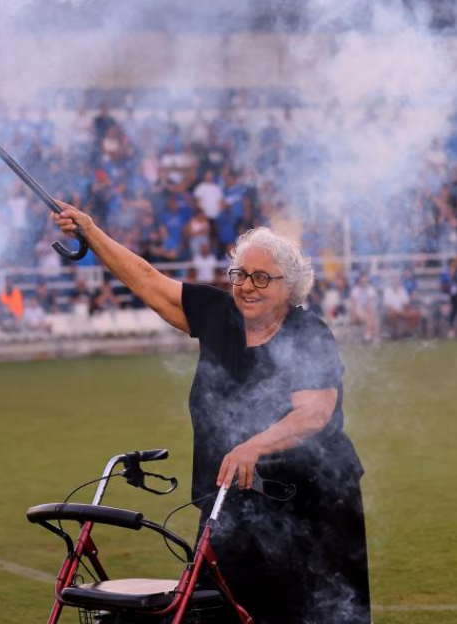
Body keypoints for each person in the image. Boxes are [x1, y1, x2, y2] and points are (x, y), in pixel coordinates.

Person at [52, 205, 370, 624]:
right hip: (230, 503)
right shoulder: (219, 315)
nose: (247, 286)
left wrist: (252, 446)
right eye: (240, 274)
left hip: (312, 506)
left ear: (290, 288)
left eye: (261, 278)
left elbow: (314, 413)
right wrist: (91, 233)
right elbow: (148, 281)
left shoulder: (308, 334)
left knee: (314, 613)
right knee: (222, 610)